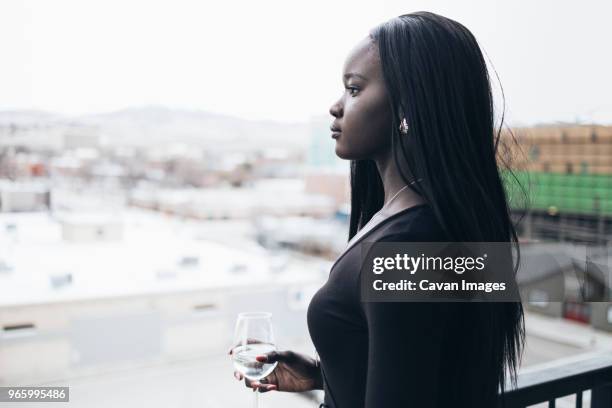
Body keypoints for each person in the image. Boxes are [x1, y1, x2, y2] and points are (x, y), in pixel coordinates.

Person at [231, 11, 525, 407]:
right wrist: (326, 373)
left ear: (408, 107)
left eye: (354, 90)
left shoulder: (408, 244)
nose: (335, 107)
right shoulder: (432, 224)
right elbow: (429, 372)